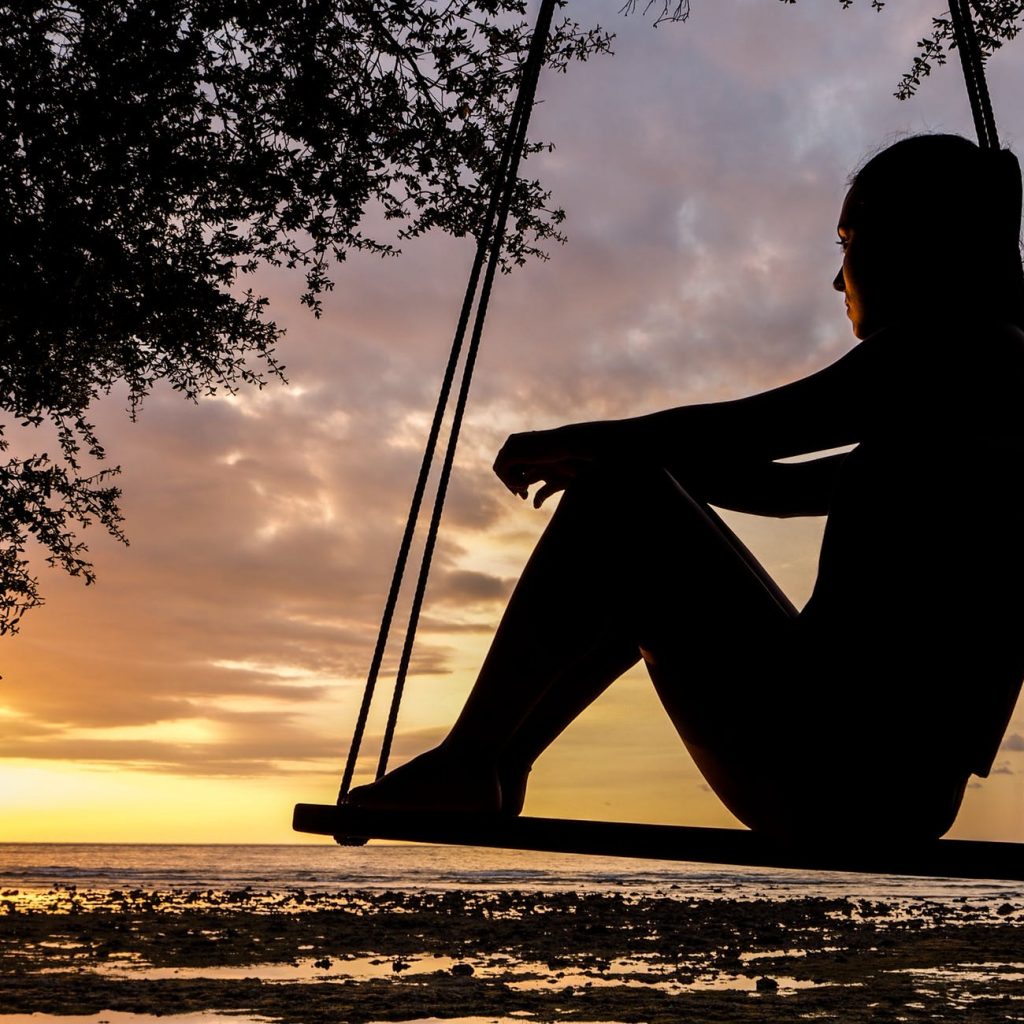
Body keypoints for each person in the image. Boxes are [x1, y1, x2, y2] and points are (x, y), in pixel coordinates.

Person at [350, 134, 1024, 841]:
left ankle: (471, 760)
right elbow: (777, 488)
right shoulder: (974, 405)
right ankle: (498, 764)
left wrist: (592, 447)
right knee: (630, 513)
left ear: (916, 240)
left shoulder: (965, 350)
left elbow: (763, 427)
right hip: (888, 785)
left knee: (621, 499)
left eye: (847, 240)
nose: (837, 279)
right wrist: (633, 468)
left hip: (840, 767)